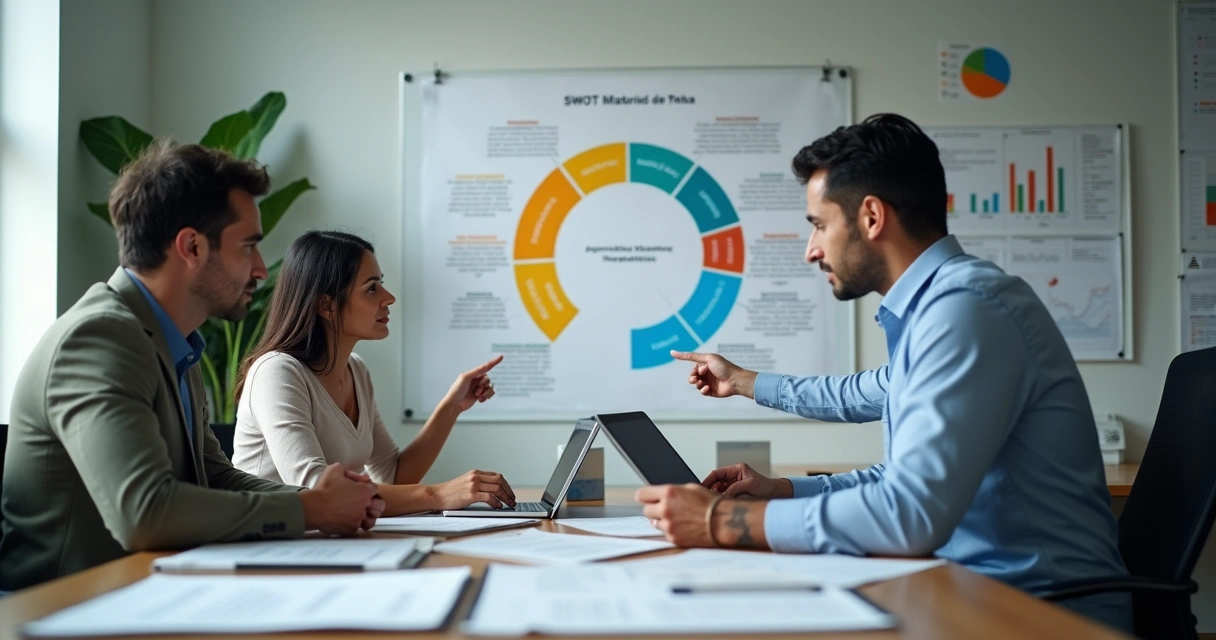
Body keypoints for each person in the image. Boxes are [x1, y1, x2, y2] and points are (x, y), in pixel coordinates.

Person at [635, 114, 1131, 631]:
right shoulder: (936, 309)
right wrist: (778, 483)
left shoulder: (967, 309)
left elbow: (909, 514)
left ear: (871, 217)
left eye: (819, 225)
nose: (811, 250)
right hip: (968, 590)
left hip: (1039, 613)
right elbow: (864, 415)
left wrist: (720, 521)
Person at [0, 141, 383, 591]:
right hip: (64, 607)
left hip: (146, 592)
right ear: (192, 246)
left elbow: (214, 477)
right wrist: (313, 510)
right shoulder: (98, 338)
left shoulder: (173, 341)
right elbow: (145, 512)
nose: (261, 270)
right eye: (248, 247)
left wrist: (320, 499)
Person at [232, 231, 516, 515]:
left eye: (381, 284)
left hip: (323, 541)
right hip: (268, 545)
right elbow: (316, 488)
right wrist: (438, 494)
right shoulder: (277, 372)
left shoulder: (356, 370)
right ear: (326, 305)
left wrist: (453, 405)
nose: (389, 298)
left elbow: (393, 475)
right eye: (371, 289)